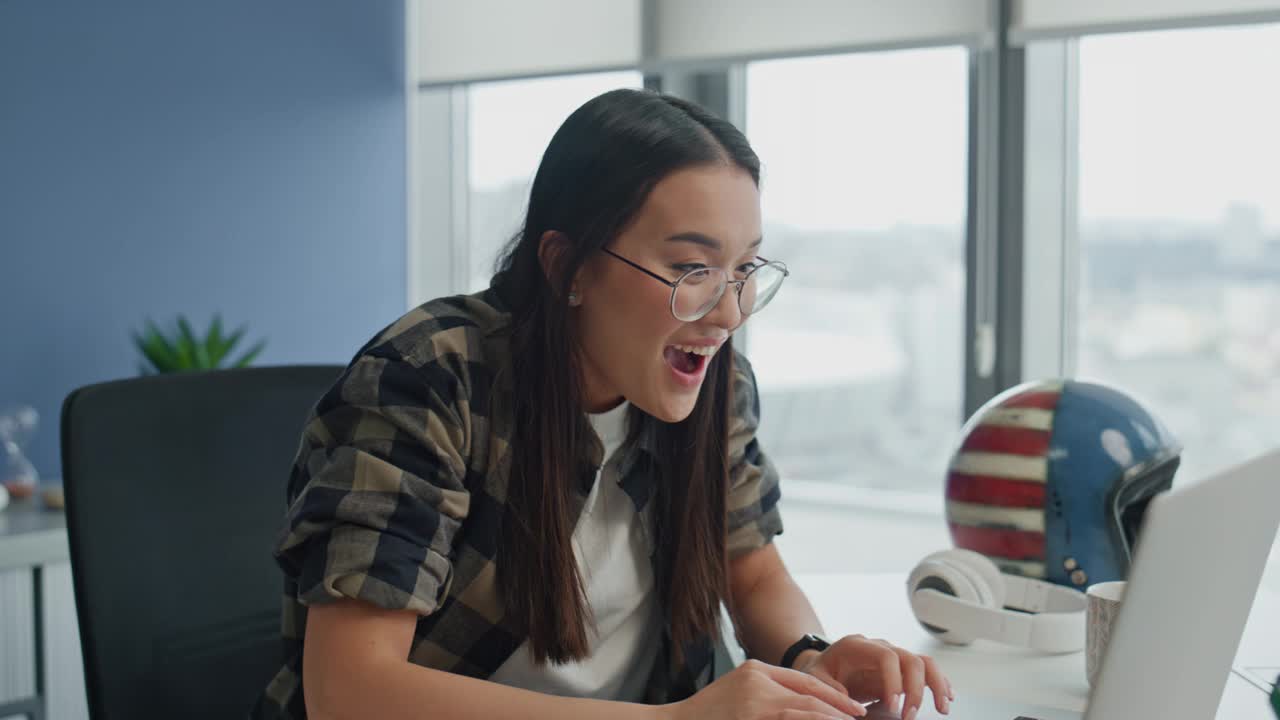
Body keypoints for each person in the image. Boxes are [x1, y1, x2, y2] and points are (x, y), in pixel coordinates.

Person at [253, 88, 953, 720]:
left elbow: (751, 565)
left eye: (743, 270)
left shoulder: (715, 382)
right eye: (691, 269)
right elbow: (350, 691)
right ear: (568, 267)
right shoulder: (429, 379)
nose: (729, 313)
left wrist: (809, 659)